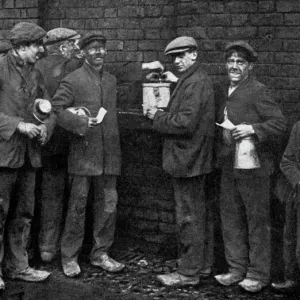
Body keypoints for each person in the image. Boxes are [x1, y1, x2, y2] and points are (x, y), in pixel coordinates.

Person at [50, 32, 125, 277]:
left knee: (108, 207)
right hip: (83, 155)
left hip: (109, 156)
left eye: (102, 48)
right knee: (77, 208)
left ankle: (100, 253)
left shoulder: (112, 80)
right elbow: (56, 110)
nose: (99, 53)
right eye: (93, 48)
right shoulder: (73, 80)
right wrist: (79, 122)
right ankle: (69, 257)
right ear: (83, 52)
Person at [214, 41, 286, 293]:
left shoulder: (257, 91)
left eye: (240, 62)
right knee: (230, 217)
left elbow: (279, 123)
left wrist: (254, 129)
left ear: (250, 67)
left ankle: (258, 274)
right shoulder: (224, 89)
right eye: (231, 61)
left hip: (255, 168)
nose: (234, 66)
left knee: (256, 221)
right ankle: (236, 269)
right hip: (229, 165)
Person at [146, 36, 215, 287]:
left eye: (181, 55)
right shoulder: (194, 80)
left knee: (188, 218)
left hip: (188, 161)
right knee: (198, 215)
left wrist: (158, 116)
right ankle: (201, 266)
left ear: (194, 55)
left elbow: (185, 123)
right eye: (173, 57)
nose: (176, 61)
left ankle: (188, 273)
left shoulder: (195, 83)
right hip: (194, 160)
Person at [0, 22, 52, 289]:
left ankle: (18, 266)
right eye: (36, 45)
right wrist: (17, 125)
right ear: (20, 48)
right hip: (4, 155)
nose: (41, 50)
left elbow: (44, 108)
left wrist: (44, 125)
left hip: (29, 155)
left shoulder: (36, 74)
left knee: (23, 213)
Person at [35, 27, 82, 263]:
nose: (78, 48)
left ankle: (44, 247)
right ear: (63, 47)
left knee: (43, 193)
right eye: (75, 43)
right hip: (64, 140)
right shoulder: (70, 67)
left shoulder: (36, 67)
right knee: (62, 195)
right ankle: (52, 247)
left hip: (39, 140)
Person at [271, 123, 300, 294]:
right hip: (297, 192)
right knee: (292, 239)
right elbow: (287, 160)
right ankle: (293, 279)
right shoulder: (298, 127)